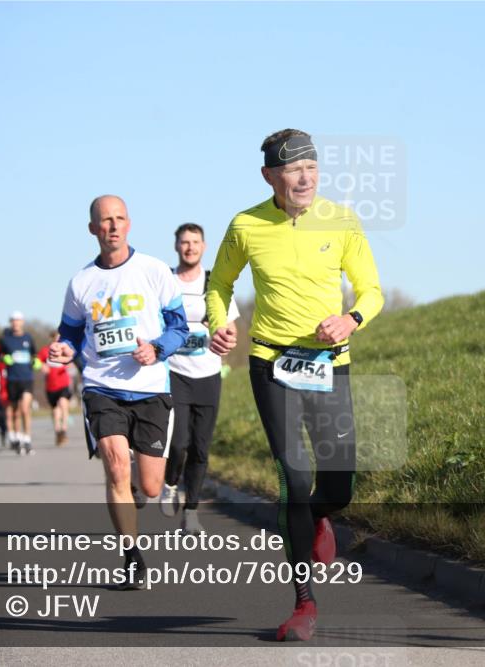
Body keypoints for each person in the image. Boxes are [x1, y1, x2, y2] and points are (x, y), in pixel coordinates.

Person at [206, 129, 384, 641]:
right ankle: (303, 604)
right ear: (269, 176)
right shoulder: (246, 225)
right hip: (271, 363)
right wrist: (219, 321)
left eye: (311, 167)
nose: (304, 177)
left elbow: (371, 289)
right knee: (295, 477)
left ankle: (321, 517)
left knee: (338, 485)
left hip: (329, 364)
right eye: (292, 169)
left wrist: (351, 319)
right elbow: (219, 284)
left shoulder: (342, 220)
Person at [48, 194, 188, 588]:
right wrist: (64, 348)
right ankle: (131, 556)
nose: (112, 226)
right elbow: (72, 334)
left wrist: (157, 348)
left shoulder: (155, 270)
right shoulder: (81, 283)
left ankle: (135, 498)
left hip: (149, 387)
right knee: (115, 463)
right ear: (93, 228)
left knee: (149, 485)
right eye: (104, 220)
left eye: (119, 218)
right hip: (102, 385)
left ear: (129, 224)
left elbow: (180, 328)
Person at [160, 223, 239, 535]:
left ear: (204, 247)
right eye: (184, 242)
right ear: (176, 246)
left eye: (195, 242)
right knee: (178, 442)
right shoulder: (165, 281)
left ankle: (191, 512)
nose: (189, 247)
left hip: (208, 374)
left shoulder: (214, 283)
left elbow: (231, 328)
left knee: (201, 448)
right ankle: (169, 484)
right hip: (174, 372)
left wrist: (223, 334)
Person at [0, 312, 41, 454]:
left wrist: (36, 362)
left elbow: (34, 354)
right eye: (13, 321)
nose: (16, 323)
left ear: (22, 322)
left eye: (18, 320)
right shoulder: (5, 339)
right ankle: (18, 438)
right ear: (10, 322)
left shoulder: (28, 338)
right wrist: (4, 359)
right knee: (16, 412)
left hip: (27, 378)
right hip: (12, 379)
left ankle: (27, 438)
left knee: (25, 408)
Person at [38, 336, 74, 445]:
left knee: (63, 403)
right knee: (55, 409)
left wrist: (69, 363)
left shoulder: (64, 349)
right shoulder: (45, 351)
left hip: (64, 383)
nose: (57, 341)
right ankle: (58, 430)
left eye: (59, 339)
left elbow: (73, 359)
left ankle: (64, 429)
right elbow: (36, 361)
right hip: (51, 386)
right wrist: (41, 366)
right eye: (55, 339)